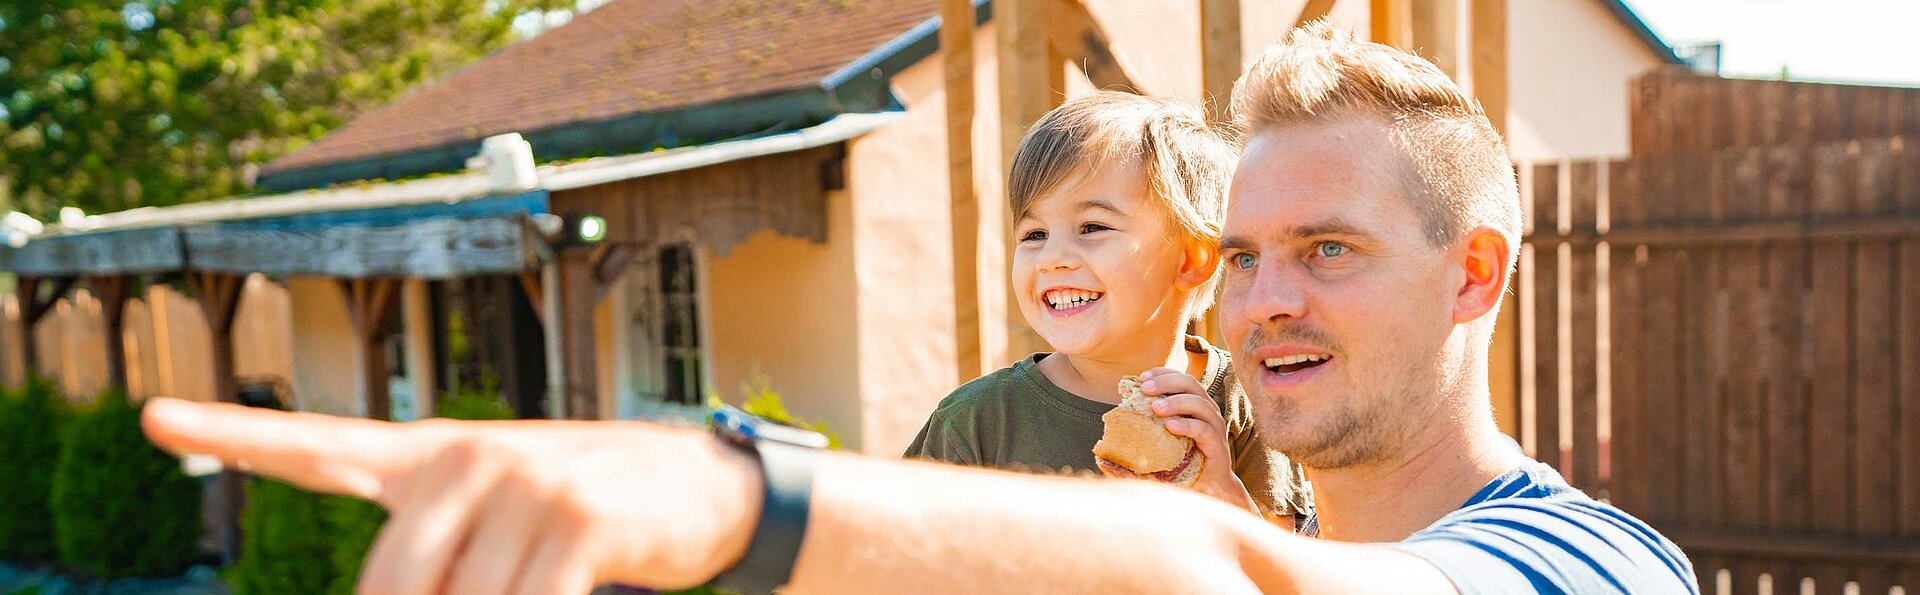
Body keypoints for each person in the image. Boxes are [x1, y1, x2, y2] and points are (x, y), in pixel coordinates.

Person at [140, 22, 1694, 594]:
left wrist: (722, 489)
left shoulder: (1593, 561)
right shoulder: (1209, 477)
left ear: (1475, 271)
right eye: (1245, 251)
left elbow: (1233, 581)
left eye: (1331, 250)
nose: (1265, 297)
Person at [905, 91, 1309, 523]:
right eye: (1033, 234)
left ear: (1191, 259)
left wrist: (1220, 489)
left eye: (1092, 227)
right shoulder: (978, 422)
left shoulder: (1245, 400)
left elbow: (1282, 574)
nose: (1051, 258)